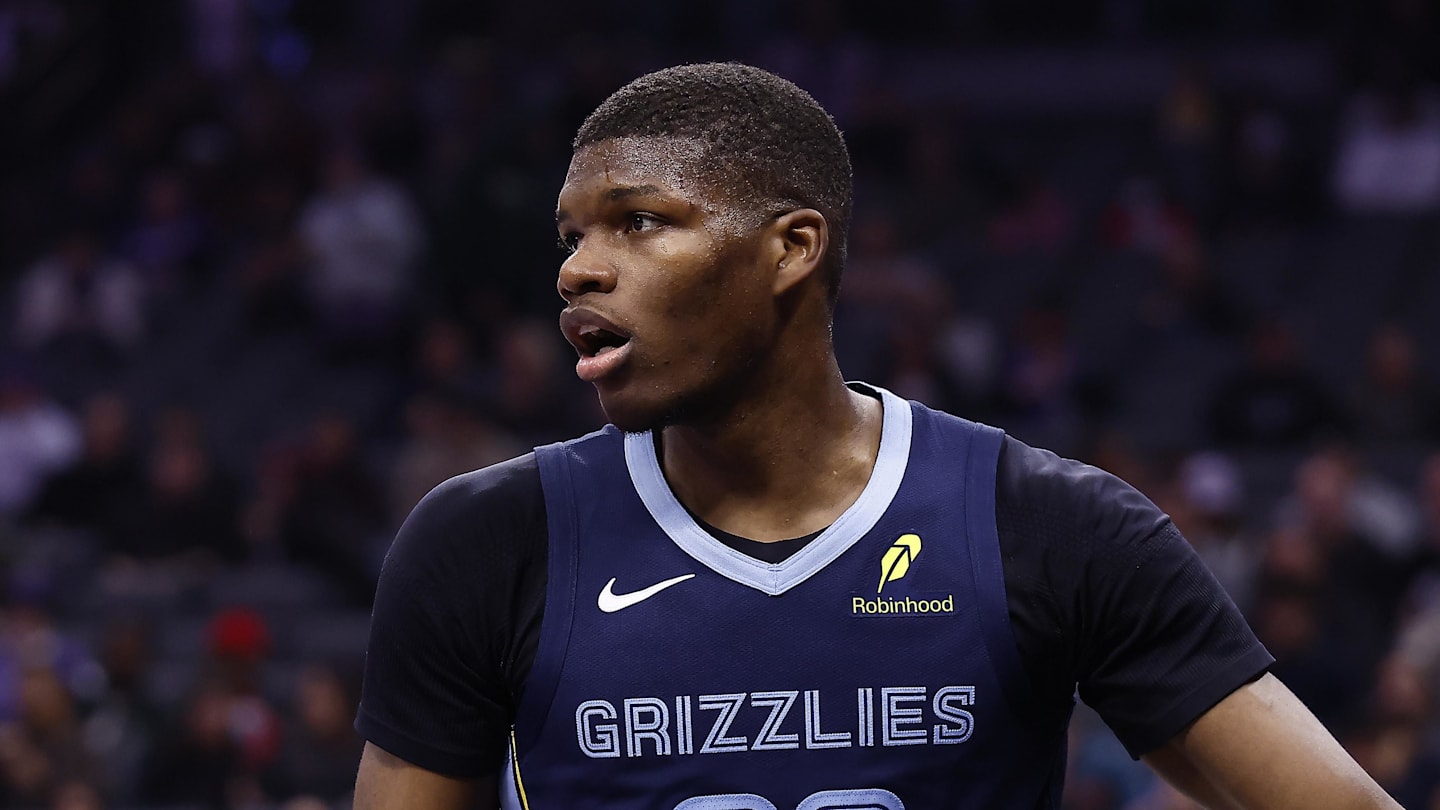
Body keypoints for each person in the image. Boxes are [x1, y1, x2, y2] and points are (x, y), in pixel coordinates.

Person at [353, 63, 1400, 809]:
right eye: (573, 236)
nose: (577, 269)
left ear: (791, 248)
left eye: (638, 221)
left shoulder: (1049, 526)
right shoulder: (485, 542)